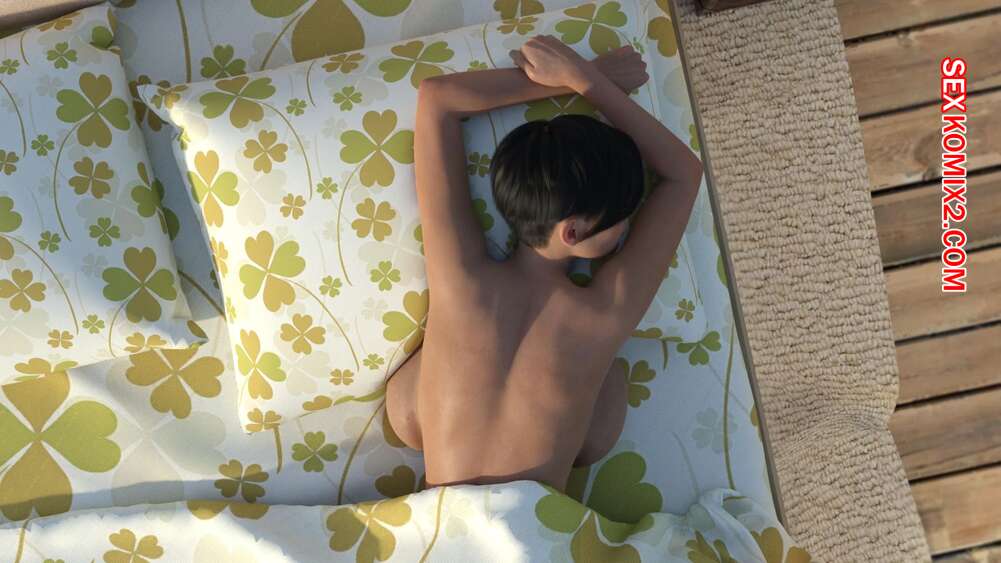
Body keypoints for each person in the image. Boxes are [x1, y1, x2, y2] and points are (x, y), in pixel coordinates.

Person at [385, 34, 704, 494]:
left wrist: (578, 79)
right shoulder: (604, 314)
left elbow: (437, 99)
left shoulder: (459, 278)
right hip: (534, 524)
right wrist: (586, 80)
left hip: (442, 516)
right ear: (572, 232)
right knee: (605, 397)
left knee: (410, 408)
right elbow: (684, 174)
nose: (627, 227)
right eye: (621, 218)